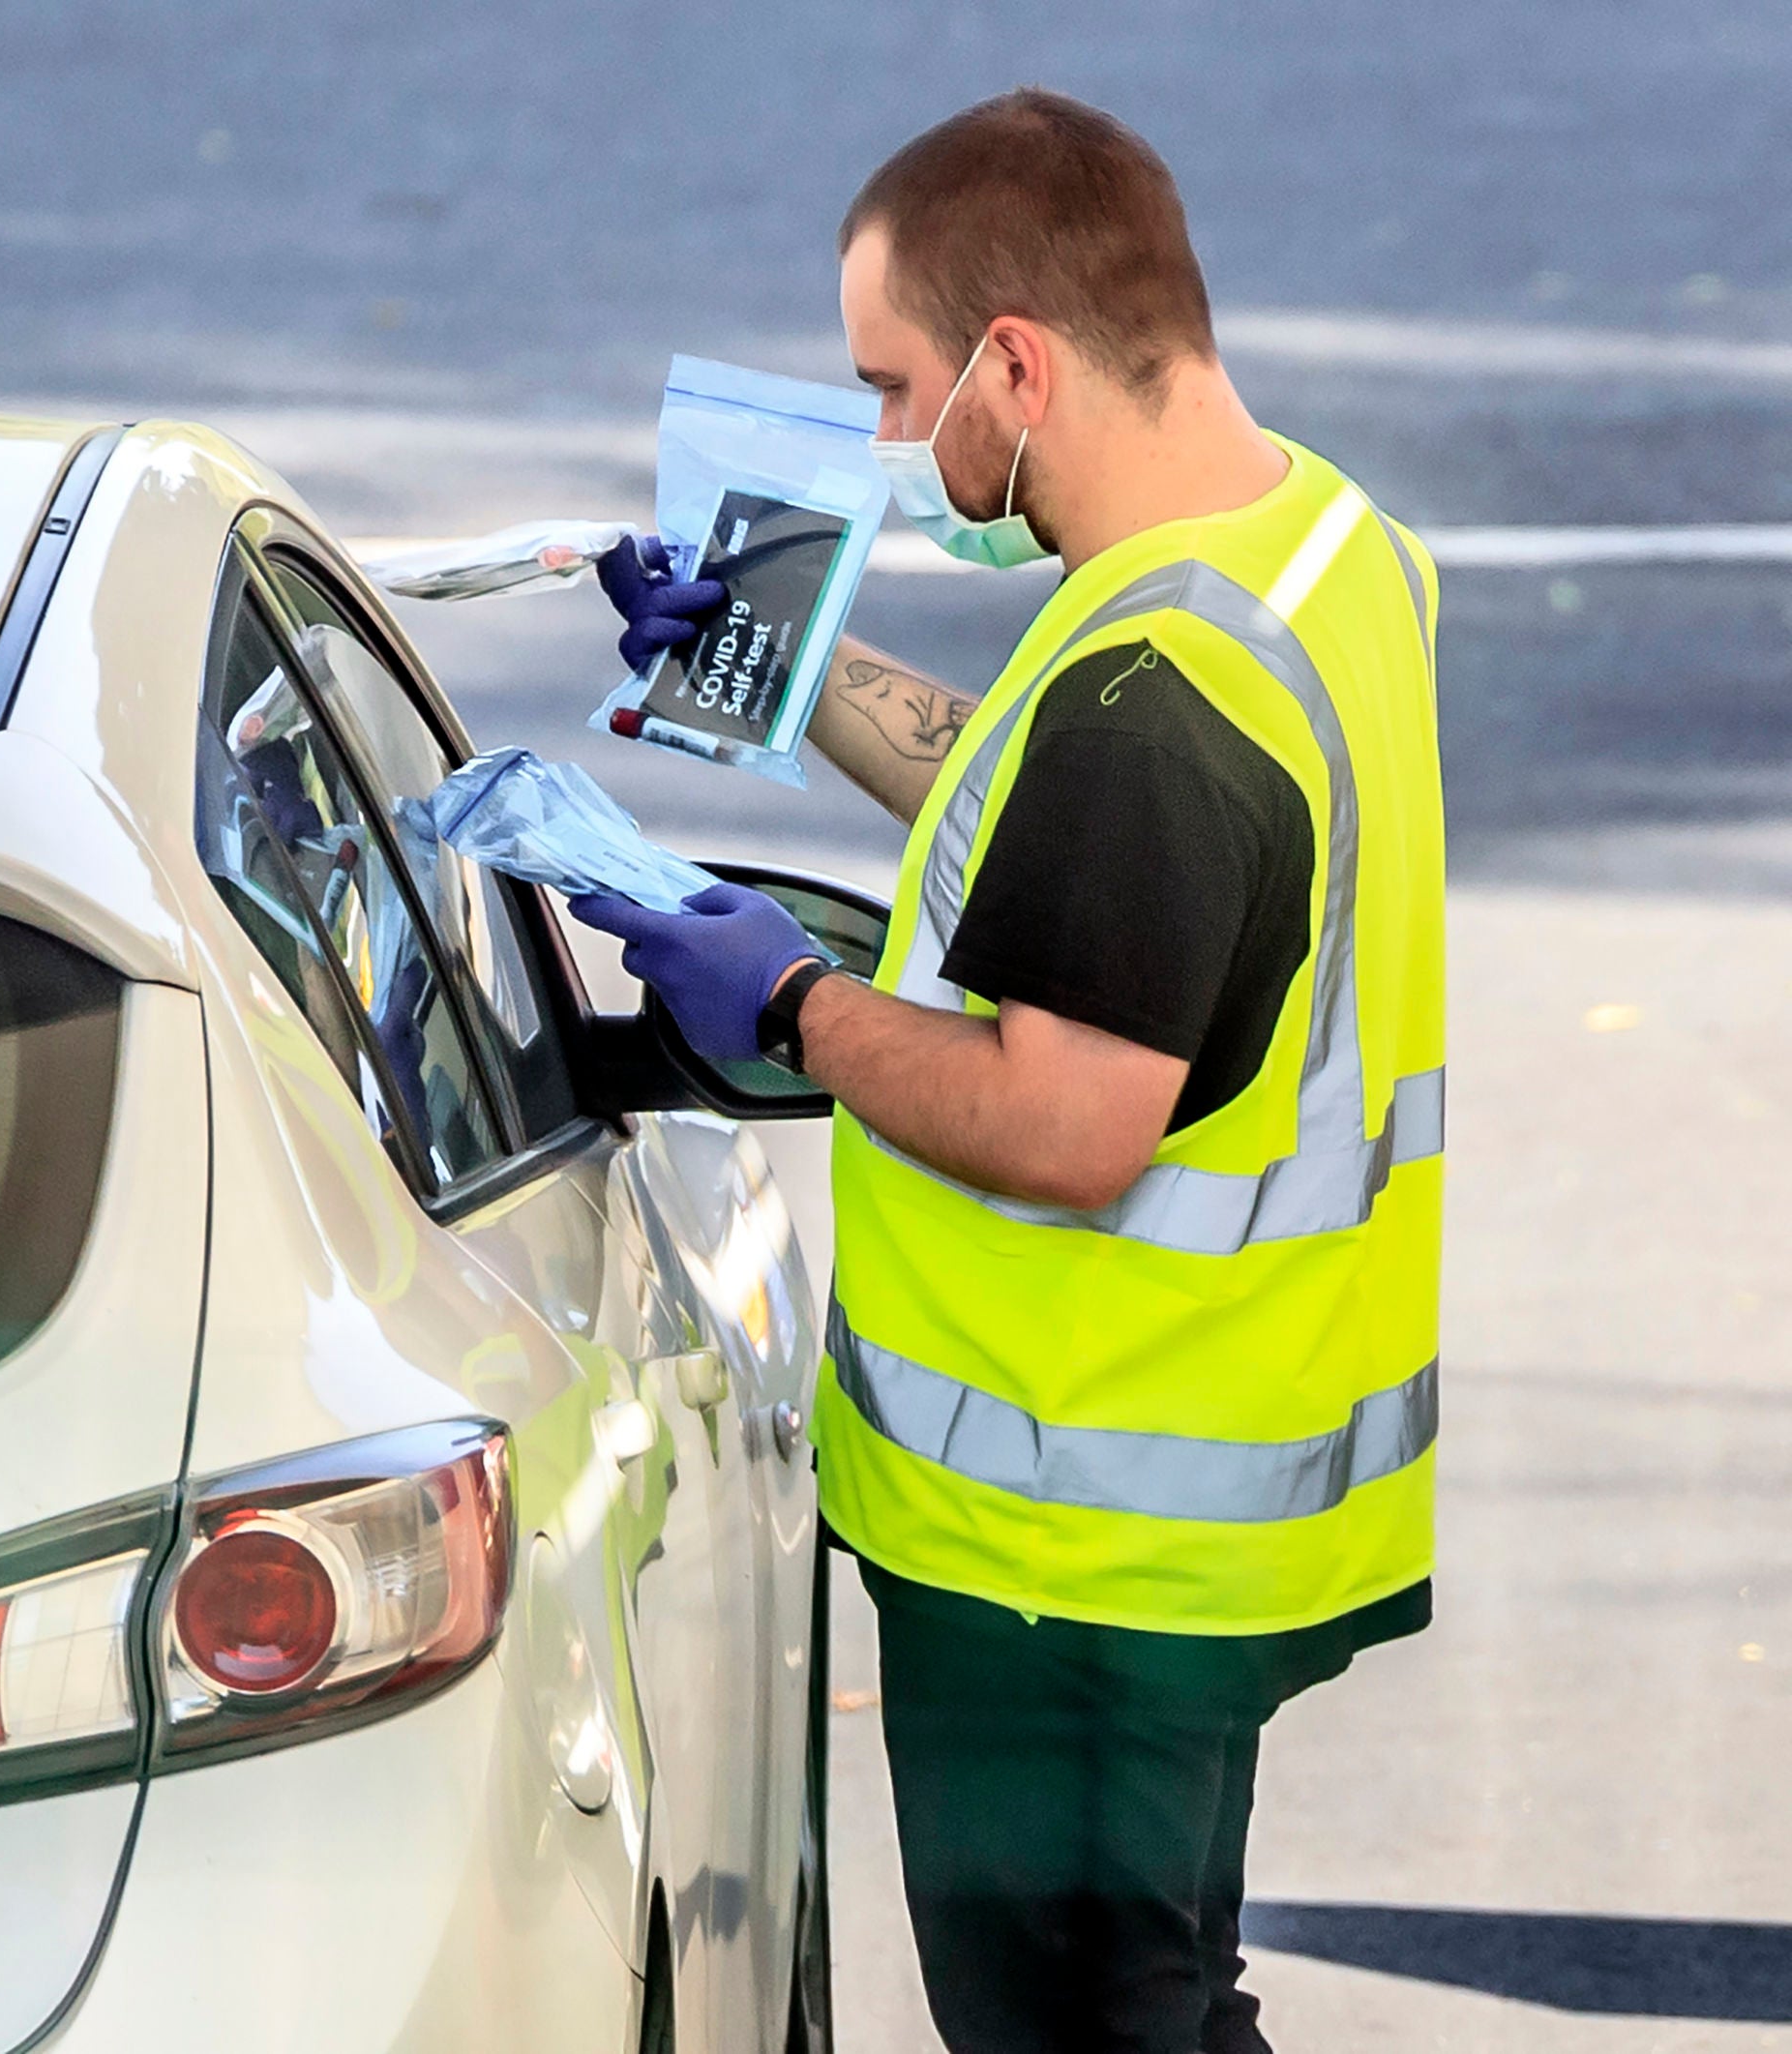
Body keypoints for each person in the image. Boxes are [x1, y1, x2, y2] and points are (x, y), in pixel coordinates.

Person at [576, 89, 1444, 2054]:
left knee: (1081, 2030)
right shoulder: (1314, 554)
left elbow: (1065, 1124)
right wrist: (787, 672)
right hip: (1204, 1509)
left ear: (1018, 364)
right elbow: (1067, 811)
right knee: (1157, 2004)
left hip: (1072, 1547)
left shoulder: (1156, 707)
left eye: (894, 386)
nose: (888, 444)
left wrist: (787, 1000)